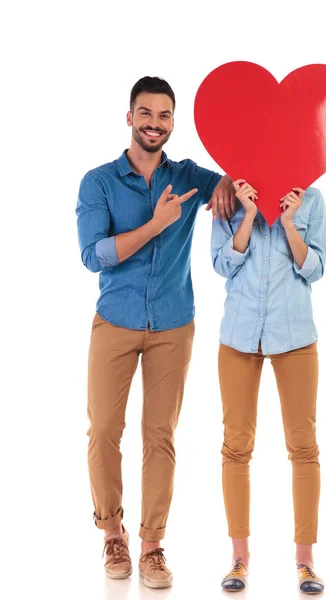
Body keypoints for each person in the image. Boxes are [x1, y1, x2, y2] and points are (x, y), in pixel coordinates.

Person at [76, 76, 235, 588]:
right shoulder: (98, 182)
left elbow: (234, 186)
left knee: (159, 436)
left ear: (172, 122)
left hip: (173, 324)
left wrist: (237, 188)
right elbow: (92, 255)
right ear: (129, 118)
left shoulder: (189, 175)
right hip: (115, 322)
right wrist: (157, 224)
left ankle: (151, 546)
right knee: (103, 431)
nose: (154, 123)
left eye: (164, 116)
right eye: (145, 113)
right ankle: (112, 534)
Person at [212, 179, 326, 594]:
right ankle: (239, 559)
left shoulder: (312, 200)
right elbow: (222, 265)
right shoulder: (230, 196)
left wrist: (289, 223)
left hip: (294, 334)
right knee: (236, 446)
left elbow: (315, 268)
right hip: (239, 334)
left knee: (303, 447)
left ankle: (305, 561)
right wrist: (246, 215)